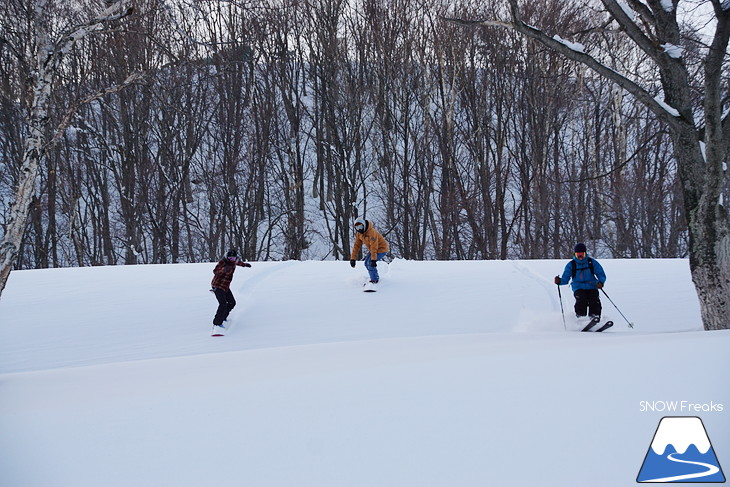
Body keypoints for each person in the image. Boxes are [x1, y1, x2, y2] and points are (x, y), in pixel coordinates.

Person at [554, 242, 606, 320]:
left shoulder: (591, 262)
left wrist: (600, 282)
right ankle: (581, 319)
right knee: (581, 300)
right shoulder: (571, 265)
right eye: (578, 254)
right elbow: (565, 279)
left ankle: (595, 318)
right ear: (575, 254)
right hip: (578, 287)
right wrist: (559, 281)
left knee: (594, 300)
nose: (580, 256)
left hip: (592, 286)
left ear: (585, 253)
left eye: (582, 254)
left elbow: (601, 274)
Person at [211, 249, 251, 331]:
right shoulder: (223, 262)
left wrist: (245, 265)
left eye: (233, 258)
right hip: (217, 285)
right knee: (223, 304)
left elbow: (238, 263)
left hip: (225, 286)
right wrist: (223, 270)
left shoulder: (235, 261)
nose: (231, 260)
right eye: (230, 258)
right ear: (227, 257)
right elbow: (215, 271)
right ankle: (217, 323)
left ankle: (223, 317)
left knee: (232, 302)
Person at [349, 217, 389, 283]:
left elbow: (374, 246)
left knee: (370, 263)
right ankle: (373, 276)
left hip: (381, 249)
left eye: (360, 227)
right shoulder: (359, 234)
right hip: (373, 250)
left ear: (364, 225)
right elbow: (356, 246)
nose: (359, 229)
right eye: (357, 227)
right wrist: (353, 258)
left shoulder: (371, 232)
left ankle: (375, 279)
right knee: (366, 263)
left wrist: (373, 260)